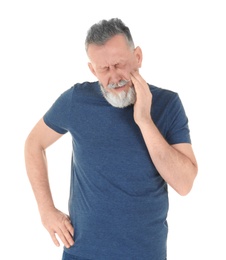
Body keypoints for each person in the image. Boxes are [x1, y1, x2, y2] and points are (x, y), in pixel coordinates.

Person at [24, 18, 198, 260]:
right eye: (104, 69)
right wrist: (46, 210)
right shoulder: (76, 100)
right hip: (81, 253)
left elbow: (184, 183)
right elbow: (34, 143)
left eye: (119, 64)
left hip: (144, 254)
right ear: (92, 69)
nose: (114, 77)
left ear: (137, 57)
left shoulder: (168, 104)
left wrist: (145, 120)